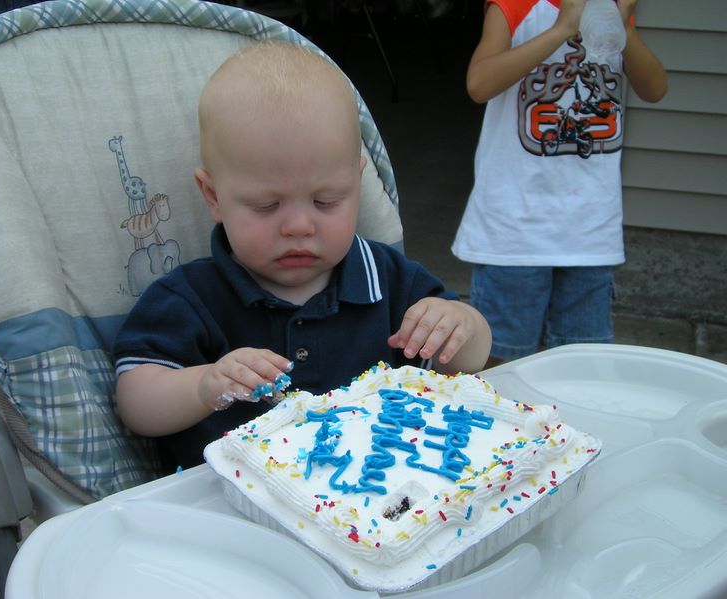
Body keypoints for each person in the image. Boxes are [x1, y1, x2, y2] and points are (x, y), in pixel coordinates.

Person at [113, 41, 492, 468]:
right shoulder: (191, 297)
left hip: (379, 498)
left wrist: (463, 325)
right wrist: (204, 385)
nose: (299, 226)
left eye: (327, 201)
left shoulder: (387, 279)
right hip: (230, 513)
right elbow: (135, 402)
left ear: (357, 184)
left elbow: (466, 361)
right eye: (266, 206)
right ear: (213, 196)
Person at [451, 0, 667, 366]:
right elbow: (479, 83)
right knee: (499, 361)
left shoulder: (613, 9)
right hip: (514, 230)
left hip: (588, 231)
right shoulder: (515, 6)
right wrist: (561, 30)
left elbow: (655, 88)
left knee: (581, 364)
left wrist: (625, 28)